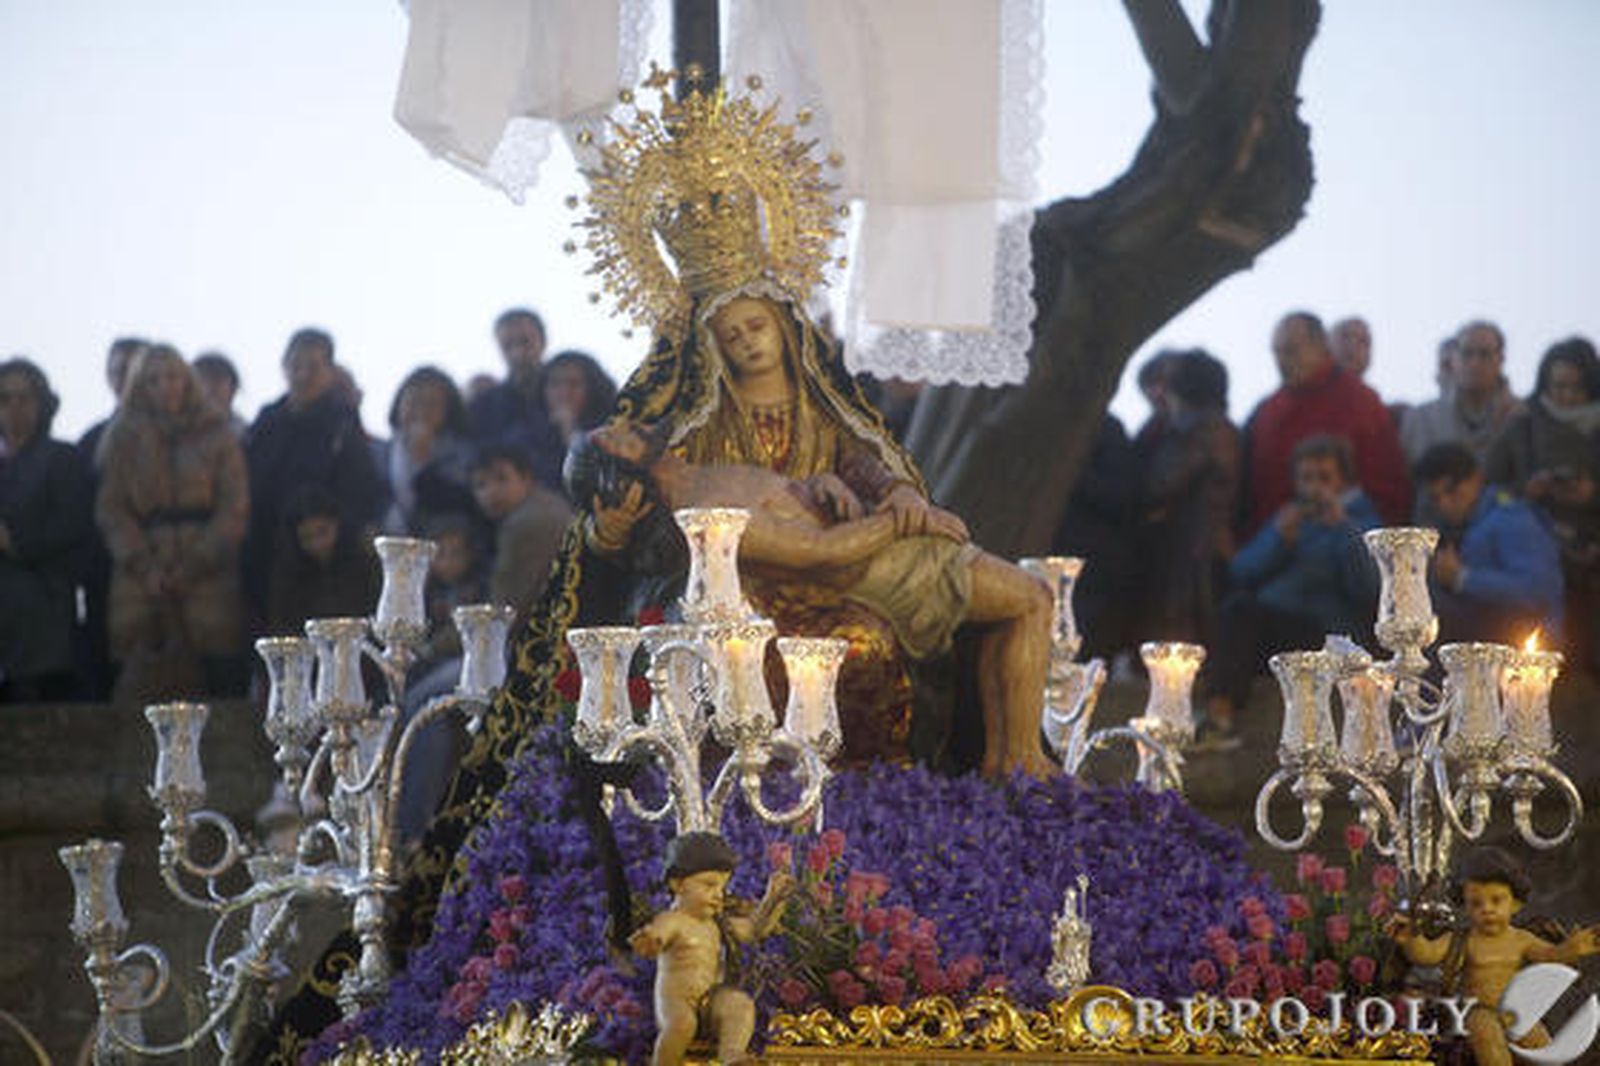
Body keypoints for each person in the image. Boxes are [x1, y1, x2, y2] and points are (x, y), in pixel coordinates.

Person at [589, 293, 1054, 776]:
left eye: (757, 326)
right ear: (715, 351)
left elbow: (860, 461)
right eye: (733, 336)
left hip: (854, 544)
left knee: (1016, 600)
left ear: (785, 331)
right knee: (870, 638)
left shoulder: (821, 406)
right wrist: (609, 533)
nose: (748, 342)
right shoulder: (694, 429)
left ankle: (1012, 759)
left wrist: (893, 492)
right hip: (772, 576)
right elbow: (636, 510)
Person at [1201, 436, 1381, 747]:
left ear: (1344, 480)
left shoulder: (1360, 522)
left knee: (1243, 611)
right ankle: (1218, 716)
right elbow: (1241, 571)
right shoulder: (1287, 520)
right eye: (1306, 478)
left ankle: (1220, 714)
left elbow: (1369, 589)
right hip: (1272, 627)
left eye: (1324, 478)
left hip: (1326, 636)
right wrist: (1279, 540)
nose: (1314, 487)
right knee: (1237, 609)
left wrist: (1343, 529)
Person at [95, 345, 250, 702]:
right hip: (141, 582)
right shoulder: (121, 438)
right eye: (154, 380)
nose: (166, 387)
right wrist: (144, 565)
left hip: (210, 580)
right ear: (141, 386)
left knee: (220, 688)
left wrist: (195, 564)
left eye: (173, 378)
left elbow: (234, 508)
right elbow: (112, 510)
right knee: (141, 688)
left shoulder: (218, 434)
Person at [1386, 847, 1600, 1066]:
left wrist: (1573, 948)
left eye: (1496, 900)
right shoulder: (1462, 939)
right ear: (1464, 905)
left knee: (1540, 1042)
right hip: (1475, 1011)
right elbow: (1427, 955)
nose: (1486, 909)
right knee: (1487, 1035)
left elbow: (1550, 956)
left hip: (1514, 1010)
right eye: (1476, 903)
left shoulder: (1522, 940)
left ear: (1515, 903)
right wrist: (1411, 937)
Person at [245, 328, 385, 623]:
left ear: (330, 371)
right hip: (264, 549)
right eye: (296, 366)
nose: (303, 375)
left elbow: (361, 489)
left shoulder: (343, 422)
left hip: (322, 556)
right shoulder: (267, 421)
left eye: (314, 366)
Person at [629, 831, 793, 1066]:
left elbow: (755, 930)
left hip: (711, 999)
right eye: (709, 885)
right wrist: (650, 940)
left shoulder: (718, 923)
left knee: (740, 1004)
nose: (718, 895)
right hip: (678, 1001)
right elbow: (658, 933)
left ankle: (733, 1055)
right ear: (678, 884)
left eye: (722, 888)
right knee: (681, 1025)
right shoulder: (674, 920)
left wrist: (774, 899)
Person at [1486, 337, 1600, 672]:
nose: (1565, 395)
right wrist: (1527, 491)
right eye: (1558, 386)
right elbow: (1491, 488)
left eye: (1575, 387)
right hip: (1534, 558)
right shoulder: (1522, 425)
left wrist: (1590, 495)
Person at [1241, 311, 1409, 534]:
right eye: (1277, 352)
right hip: (1272, 548)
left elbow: (1388, 488)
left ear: (1320, 346)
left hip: (1342, 546)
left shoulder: (1361, 402)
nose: (1282, 362)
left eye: (1291, 351)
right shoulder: (1265, 413)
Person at [0, 358, 93, 702]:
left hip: (44, 623)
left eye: (24, 398)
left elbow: (72, 528)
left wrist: (14, 540)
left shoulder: (62, 458)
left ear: (41, 403)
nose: (14, 409)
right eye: (4, 399)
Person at [1414, 443, 1564, 646]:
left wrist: (1462, 579)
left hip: (1525, 656)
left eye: (1452, 491)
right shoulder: (1465, 523)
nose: (1445, 504)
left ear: (1475, 478)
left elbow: (1538, 592)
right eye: (1436, 497)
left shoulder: (1511, 519)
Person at [1137, 348, 1239, 646]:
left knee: (1177, 639)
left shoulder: (1197, 430)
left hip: (1189, 549)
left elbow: (1161, 485)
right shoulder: (1220, 427)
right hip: (1198, 546)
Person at [471, 444, 574, 626]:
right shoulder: (549, 503)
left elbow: (502, 611)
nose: (491, 492)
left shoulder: (525, 525)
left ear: (526, 479)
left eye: (501, 479)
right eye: (481, 485)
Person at [1401, 320, 1524, 471]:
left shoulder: (1523, 416)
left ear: (1501, 360)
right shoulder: (1421, 419)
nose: (1475, 363)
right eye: (1467, 353)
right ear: (1454, 359)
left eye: (1484, 354)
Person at [467, 308, 566, 491]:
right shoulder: (484, 406)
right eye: (508, 345)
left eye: (525, 342)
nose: (518, 352)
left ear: (543, 342)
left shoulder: (571, 391)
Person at [265, 485, 381, 636]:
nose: (317, 544)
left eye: (323, 532)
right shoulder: (288, 577)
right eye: (307, 537)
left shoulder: (366, 566)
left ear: (337, 525)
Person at [377, 366, 475, 535]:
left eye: (432, 404)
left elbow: (456, 505)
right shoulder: (378, 451)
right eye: (413, 401)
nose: (421, 411)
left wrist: (422, 460)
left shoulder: (463, 455)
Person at [540, 349, 618, 452]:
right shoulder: (529, 429)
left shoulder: (614, 428)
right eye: (555, 384)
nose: (564, 393)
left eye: (573, 384)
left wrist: (570, 431)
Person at [192, 351, 248, 440]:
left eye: (217, 381)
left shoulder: (246, 434)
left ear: (233, 388)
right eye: (203, 381)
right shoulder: (175, 430)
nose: (210, 389)